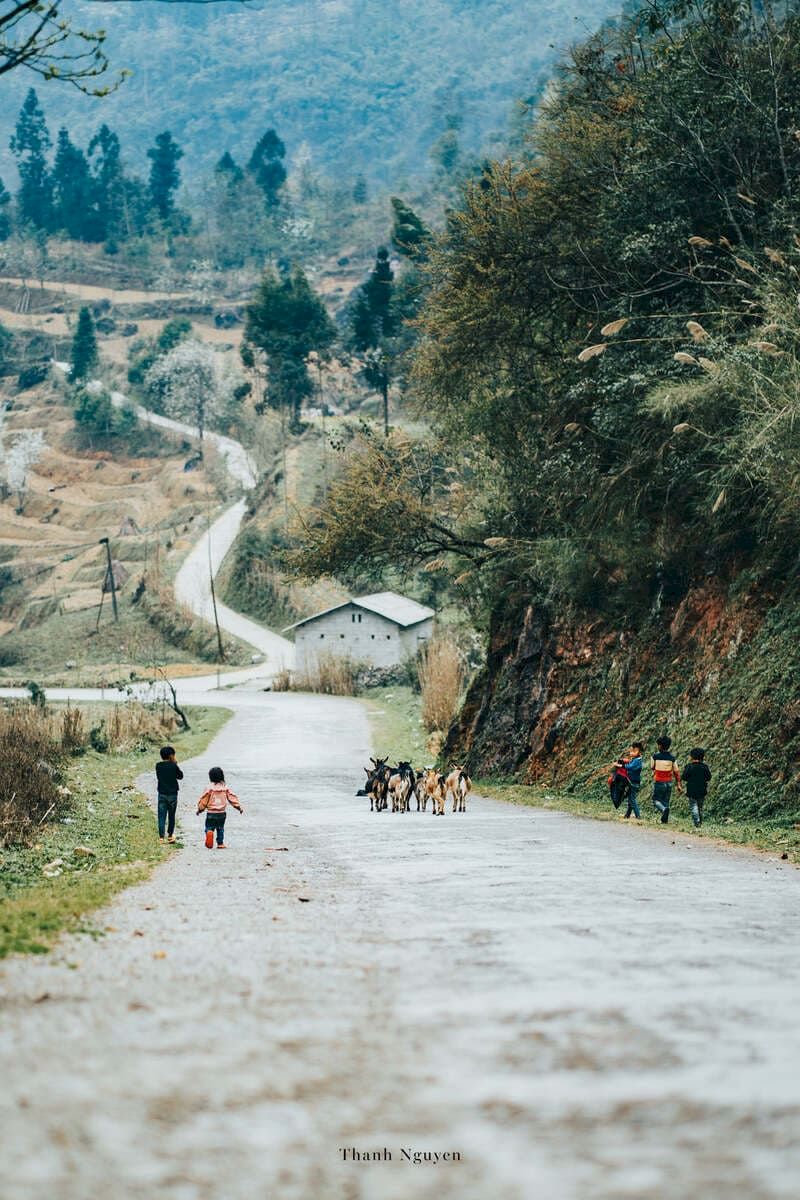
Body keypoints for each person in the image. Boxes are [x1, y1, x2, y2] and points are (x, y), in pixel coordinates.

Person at [196, 766, 243, 849]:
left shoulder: (209, 788)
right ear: (222, 776)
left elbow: (204, 800)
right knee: (220, 828)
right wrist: (238, 807)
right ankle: (220, 843)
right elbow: (232, 798)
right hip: (222, 813)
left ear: (210, 777)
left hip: (211, 813)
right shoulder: (225, 788)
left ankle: (209, 832)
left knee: (209, 827)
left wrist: (200, 809)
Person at [155, 745, 183, 844]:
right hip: (172, 795)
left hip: (162, 793)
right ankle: (170, 836)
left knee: (161, 816)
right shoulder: (173, 765)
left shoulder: (158, 765)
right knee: (171, 815)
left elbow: (159, 777)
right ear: (171, 755)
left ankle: (161, 838)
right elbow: (180, 776)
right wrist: (175, 763)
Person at [651, 735, 681, 824]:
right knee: (666, 801)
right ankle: (665, 820)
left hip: (659, 782)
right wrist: (678, 784)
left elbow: (652, 767)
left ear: (660, 746)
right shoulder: (672, 758)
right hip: (669, 783)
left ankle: (663, 809)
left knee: (656, 800)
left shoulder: (655, 756)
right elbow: (676, 772)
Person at [682, 748, 711, 827]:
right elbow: (709, 777)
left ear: (691, 757)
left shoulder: (689, 766)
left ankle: (696, 821)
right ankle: (700, 822)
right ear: (703, 757)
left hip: (691, 790)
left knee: (693, 806)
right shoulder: (705, 767)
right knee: (700, 806)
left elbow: (684, 777)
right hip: (702, 789)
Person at [624, 742, 644, 820]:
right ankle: (627, 815)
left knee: (632, 799)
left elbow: (630, 767)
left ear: (640, 752)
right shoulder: (634, 759)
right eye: (631, 751)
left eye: (634, 751)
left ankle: (638, 815)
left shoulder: (637, 761)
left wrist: (622, 765)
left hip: (634, 782)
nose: (631, 753)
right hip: (631, 782)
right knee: (630, 799)